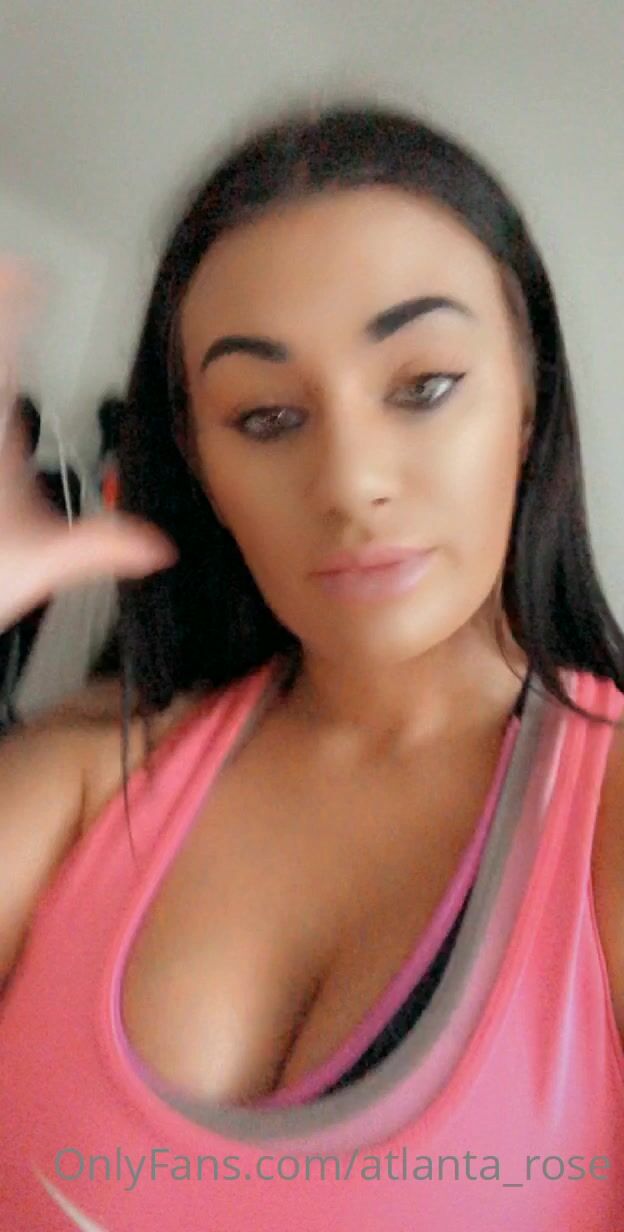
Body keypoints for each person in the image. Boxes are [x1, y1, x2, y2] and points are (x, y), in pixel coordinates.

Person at [0, 102, 623, 1230]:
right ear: (199, 459)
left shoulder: (607, 819)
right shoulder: (86, 778)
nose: (350, 482)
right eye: (267, 416)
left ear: (530, 401)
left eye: (423, 386)